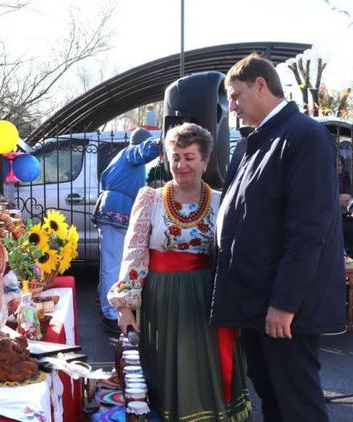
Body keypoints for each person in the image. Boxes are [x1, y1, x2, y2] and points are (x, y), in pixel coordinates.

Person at [212, 53, 345, 422]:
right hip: (256, 301)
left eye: (236, 96)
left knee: (297, 404)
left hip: (284, 308)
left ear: (260, 85)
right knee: (272, 396)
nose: (232, 107)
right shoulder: (254, 140)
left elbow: (307, 231)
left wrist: (284, 303)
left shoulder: (304, 137)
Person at [108, 123, 251, 421]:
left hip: (206, 301)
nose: (181, 164)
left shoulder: (220, 201)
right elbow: (134, 251)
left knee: (202, 369)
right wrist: (126, 307)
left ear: (205, 161)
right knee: (169, 370)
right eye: (175, 157)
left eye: (189, 157)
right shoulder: (150, 198)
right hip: (161, 299)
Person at [92, 127, 161, 333]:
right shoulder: (131, 153)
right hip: (117, 210)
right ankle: (111, 314)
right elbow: (142, 151)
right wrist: (161, 143)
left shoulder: (120, 159)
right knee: (113, 263)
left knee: (112, 261)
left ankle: (104, 300)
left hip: (111, 209)